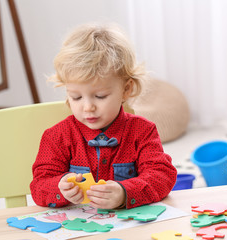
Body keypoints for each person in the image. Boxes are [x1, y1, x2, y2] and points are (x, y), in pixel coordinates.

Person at [30, 22, 177, 210]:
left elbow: (162, 176)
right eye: (76, 97)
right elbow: (39, 185)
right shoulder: (56, 136)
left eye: (100, 96)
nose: (88, 107)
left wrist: (125, 192)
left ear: (126, 90)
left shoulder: (143, 131)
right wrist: (60, 187)